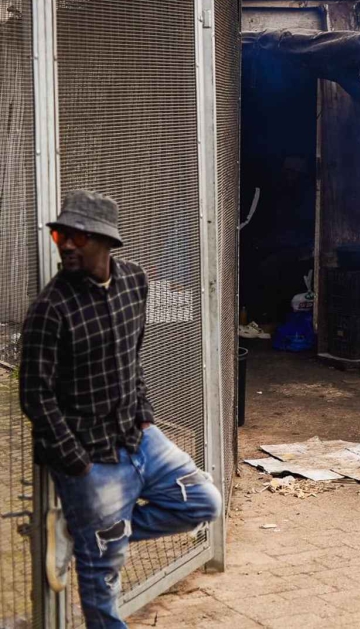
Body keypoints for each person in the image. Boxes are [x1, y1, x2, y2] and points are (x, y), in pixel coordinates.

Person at [20, 191, 223, 629]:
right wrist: (78, 463)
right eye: (60, 235)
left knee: (203, 502)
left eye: (79, 237)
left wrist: (145, 414)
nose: (66, 245)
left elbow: (133, 357)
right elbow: (35, 395)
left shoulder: (135, 282)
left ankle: (81, 531)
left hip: (138, 435)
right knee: (103, 579)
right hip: (90, 456)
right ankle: (91, 536)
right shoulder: (51, 309)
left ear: (106, 242)